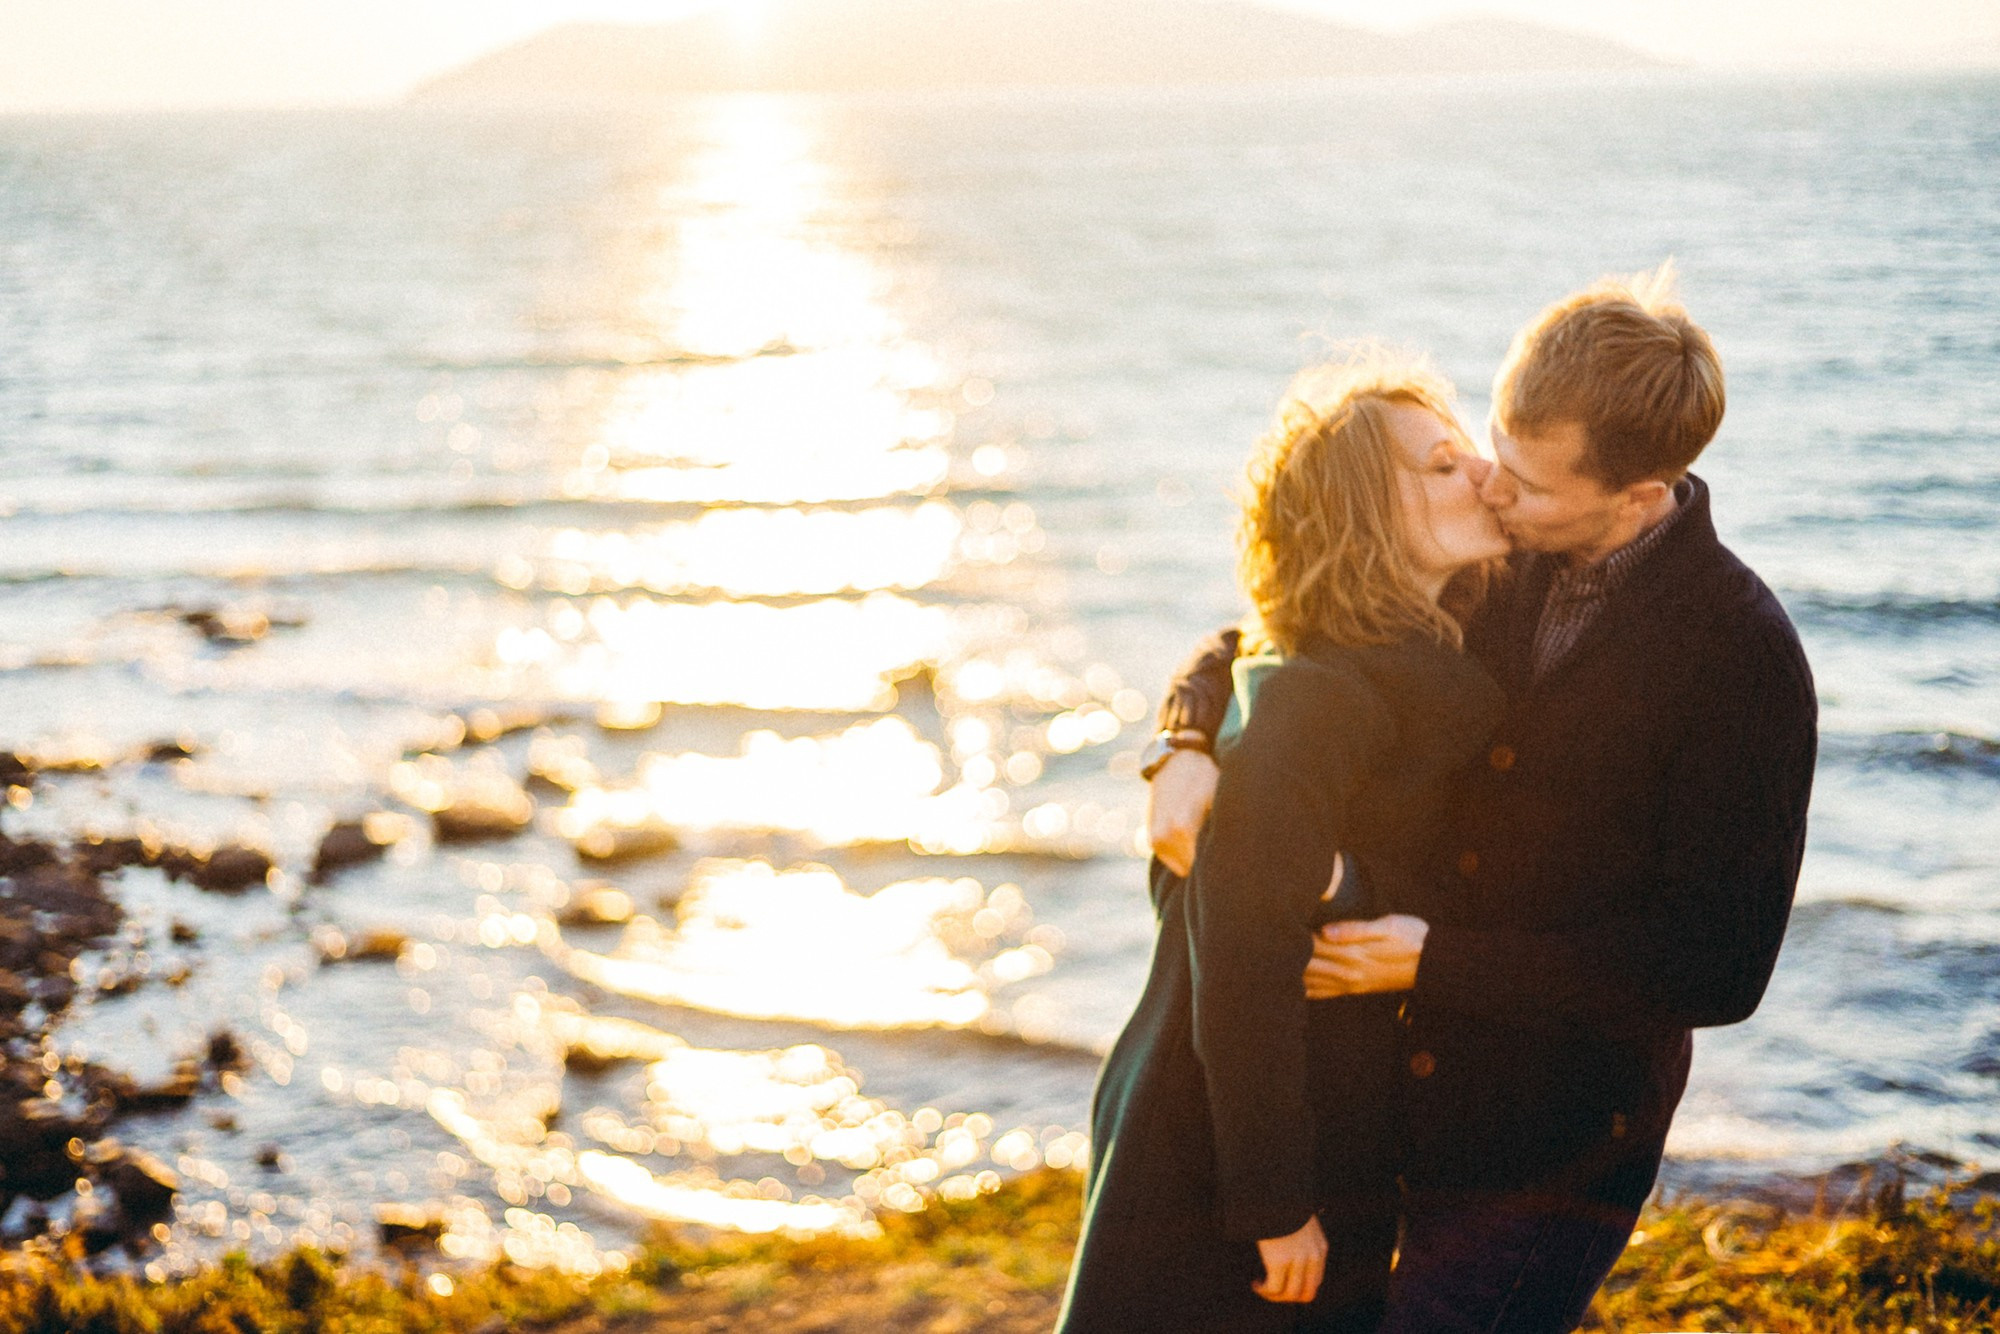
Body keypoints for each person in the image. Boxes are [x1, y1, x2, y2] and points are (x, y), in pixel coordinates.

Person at [1145, 266, 1819, 1333]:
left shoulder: (1738, 658)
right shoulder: (1495, 559)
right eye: (1493, 454)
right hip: (1388, 1106)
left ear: (1638, 498)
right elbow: (1292, 620)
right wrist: (1183, 734)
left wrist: (1437, 959)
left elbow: (1716, 963)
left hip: (1548, 1150)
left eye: (1531, 484)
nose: (1493, 490)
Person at [1056, 350, 1510, 1333]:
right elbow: (1245, 960)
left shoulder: (1416, 650)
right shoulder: (1316, 696)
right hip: (1217, 1137)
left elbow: (1231, 641)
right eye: (1439, 465)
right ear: (1361, 513)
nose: (1481, 472)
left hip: (1310, 1112)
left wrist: (1355, 882)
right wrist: (1273, 1205)